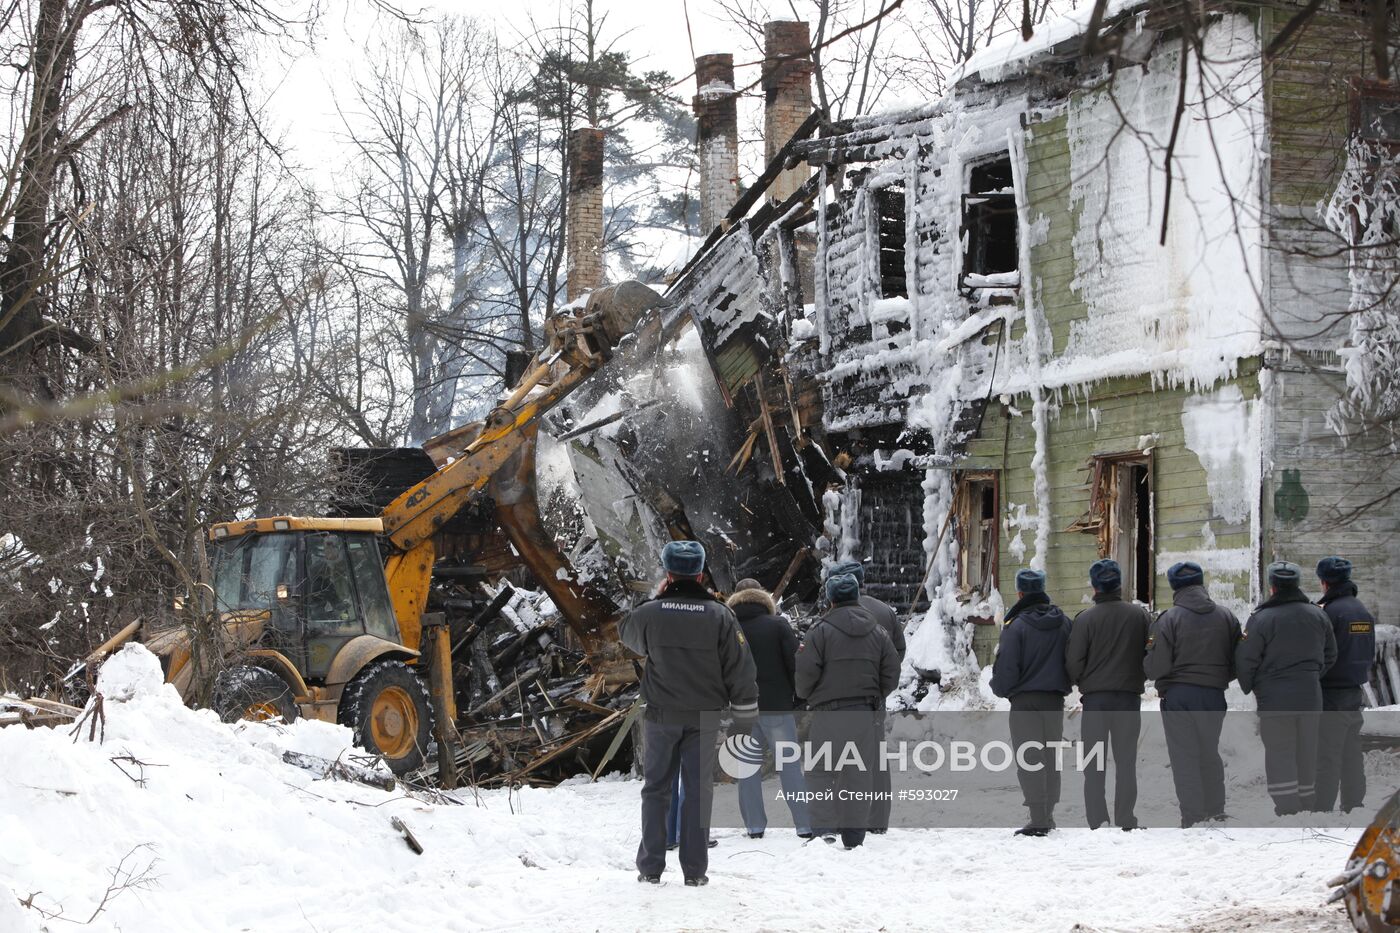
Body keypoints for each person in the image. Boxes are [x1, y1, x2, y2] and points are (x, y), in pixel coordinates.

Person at [620, 540, 758, 886]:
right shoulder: (721, 615)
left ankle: (651, 867)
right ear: (700, 573)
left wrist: (658, 597)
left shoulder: (650, 613)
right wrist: (744, 719)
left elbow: (628, 635)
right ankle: (695, 872)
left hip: (661, 716)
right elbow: (741, 670)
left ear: (668, 574)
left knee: (656, 790)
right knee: (698, 791)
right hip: (703, 716)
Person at [795, 572, 899, 849]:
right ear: (856, 595)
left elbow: (805, 675)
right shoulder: (878, 632)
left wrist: (810, 696)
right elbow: (891, 672)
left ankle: (825, 830)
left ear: (830, 599)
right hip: (864, 714)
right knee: (857, 773)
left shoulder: (820, 631)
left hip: (829, 713)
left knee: (820, 771)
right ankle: (854, 836)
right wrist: (875, 695)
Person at [1236, 561, 1337, 815]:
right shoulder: (1318, 615)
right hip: (1310, 698)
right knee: (1307, 751)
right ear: (1297, 584)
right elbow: (1330, 654)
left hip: (1274, 700)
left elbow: (1246, 659)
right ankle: (1307, 803)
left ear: (1272, 587)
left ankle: (1287, 807)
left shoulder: (1260, 619)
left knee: (1280, 752)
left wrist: (1253, 686)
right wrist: (1311, 676)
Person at [1145, 562, 1242, 827]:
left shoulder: (1168, 619)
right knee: (1209, 752)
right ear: (1201, 583)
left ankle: (1193, 815)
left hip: (1178, 696)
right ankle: (1216, 810)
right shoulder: (1226, 617)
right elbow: (1237, 662)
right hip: (1213, 695)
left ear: (1175, 586)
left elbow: (1156, 667)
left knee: (1184, 756)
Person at [1065, 558, 1150, 830]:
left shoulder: (1085, 620)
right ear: (1119, 584)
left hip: (1096, 701)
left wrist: (1084, 681)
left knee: (1094, 763)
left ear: (1094, 586)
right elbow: (1149, 656)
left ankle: (1098, 820)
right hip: (1128, 698)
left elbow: (1074, 663)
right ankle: (1126, 818)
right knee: (1126, 762)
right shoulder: (1140, 616)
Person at [726, 579, 812, 839]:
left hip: (743, 707)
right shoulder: (778, 625)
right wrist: (798, 697)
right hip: (777, 707)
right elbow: (794, 663)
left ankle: (754, 827)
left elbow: (723, 668)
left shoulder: (729, 627)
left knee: (748, 768)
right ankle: (804, 825)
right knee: (789, 766)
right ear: (763, 598)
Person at [990, 568, 1071, 837]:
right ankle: (1048, 814)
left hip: (1025, 701)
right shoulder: (1063, 622)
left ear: (1020, 593)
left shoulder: (1017, 626)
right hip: (1054, 700)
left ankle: (1038, 819)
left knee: (1030, 757)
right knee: (1050, 756)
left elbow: (1007, 669)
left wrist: (1000, 688)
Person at [827, 559, 905, 834]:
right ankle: (878, 818)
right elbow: (897, 654)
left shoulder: (833, 612)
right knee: (876, 757)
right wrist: (880, 688)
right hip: (873, 698)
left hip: (838, 699)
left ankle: (844, 818)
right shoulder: (885, 611)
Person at [1313, 557, 1376, 814]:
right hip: (1354, 691)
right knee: (1351, 751)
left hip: (1330, 693)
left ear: (1324, 582)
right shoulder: (1362, 611)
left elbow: (1322, 654)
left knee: (1327, 753)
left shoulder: (1329, 612)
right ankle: (1354, 803)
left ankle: (1322, 807)